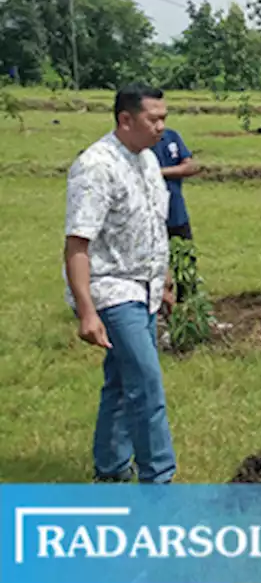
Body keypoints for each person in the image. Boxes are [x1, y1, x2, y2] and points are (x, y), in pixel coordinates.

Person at [64, 84, 178, 484]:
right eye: (154, 119)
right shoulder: (96, 166)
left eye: (165, 118)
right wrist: (87, 311)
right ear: (125, 119)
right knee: (146, 383)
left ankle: (111, 471)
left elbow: (153, 225)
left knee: (121, 380)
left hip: (144, 287)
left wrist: (163, 280)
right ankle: (159, 480)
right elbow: (78, 243)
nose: (162, 127)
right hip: (111, 289)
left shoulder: (147, 160)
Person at [150, 126, 198, 240]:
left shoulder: (171, 136)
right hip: (149, 217)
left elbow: (190, 167)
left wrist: (157, 172)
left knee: (183, 253)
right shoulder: (136, 144)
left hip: (176, 213)